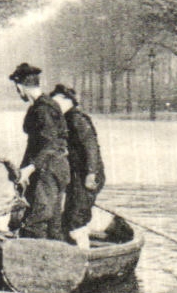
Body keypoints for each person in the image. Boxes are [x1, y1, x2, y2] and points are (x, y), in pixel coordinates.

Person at [8, 62, 69, 241]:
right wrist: (22, 171)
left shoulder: (43, 109)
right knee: (53, 224)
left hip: (48, 171)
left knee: (37, 221)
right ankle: (58, 254)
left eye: (17, 88)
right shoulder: (45, 105)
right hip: (54, 169)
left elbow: (49, 144)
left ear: (20, 87)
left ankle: (32, 255)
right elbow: (36, 144)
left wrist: (29, 169)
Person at [52, 84, 105, 248]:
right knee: (69, 216)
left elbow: (91, 147)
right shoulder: (66, 119)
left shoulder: (77, 119)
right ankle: (73, 249)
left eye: (56, 102)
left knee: (77, 219)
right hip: (77, 176)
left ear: (67, 100)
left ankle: (84, 254)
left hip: (88, 177)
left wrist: (91, 174)